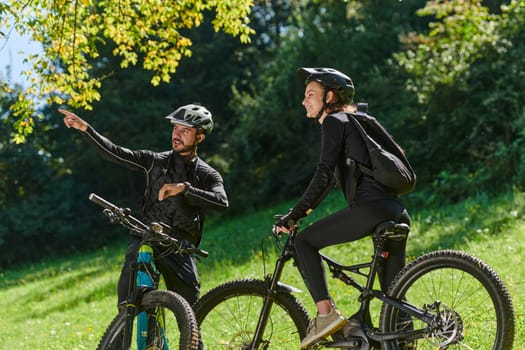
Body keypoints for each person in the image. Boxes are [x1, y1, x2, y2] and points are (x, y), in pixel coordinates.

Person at [273, 67, 410, 349]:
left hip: (370, 208)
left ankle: (326, 315)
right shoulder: (359, 119)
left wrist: (294, 215)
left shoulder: (335, 121)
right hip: (394, 210)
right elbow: (329, 182)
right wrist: (303, 209)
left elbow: (323, 173)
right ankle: (402, 341)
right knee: (392, 293)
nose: (304, 101)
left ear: (330, 96)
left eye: (311, 94)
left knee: (304, 242)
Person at [59, 104, 228, 311]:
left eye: (185, 131)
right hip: (146, 237)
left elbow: (221, 202)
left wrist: (185, 189)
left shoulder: (207, 174)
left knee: (193, 313)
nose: (177, 134)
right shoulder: (155, 161)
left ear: (199, 138)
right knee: (129, 307)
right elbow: (116, 153)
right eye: (175, 128)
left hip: (179, 247)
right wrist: (85, 129)